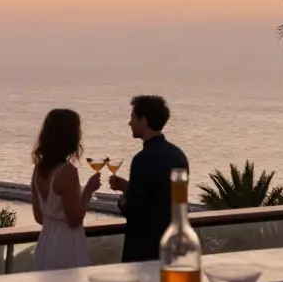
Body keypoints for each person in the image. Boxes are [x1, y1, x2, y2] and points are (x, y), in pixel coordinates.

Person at [109, 95, 189, 262]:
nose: (130, 122)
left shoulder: (142, 159)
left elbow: (135, 211)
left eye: (133, 117)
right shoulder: (178, 156)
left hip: (143, 250)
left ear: (144, 120)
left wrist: (122, 199)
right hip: (173, 246)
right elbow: (162, 196)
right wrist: (129, 187)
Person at [31, 109, 101, 271]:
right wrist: (89, 190)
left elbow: (40, 217)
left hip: (45, 243)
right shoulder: (67, 171)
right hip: (66, 244)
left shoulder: (38, 170)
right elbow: (75, 219)